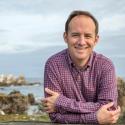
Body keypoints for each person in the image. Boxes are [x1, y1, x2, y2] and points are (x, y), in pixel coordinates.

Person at [42, 10, 121, 124]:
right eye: (75, 35)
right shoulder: (53, 65)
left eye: (88, 36)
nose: (82, 42)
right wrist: (96, 118)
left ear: (96, 40)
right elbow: (55, 116)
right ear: (65, 37)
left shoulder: (106, 66)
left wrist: (61, 102)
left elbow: (109, 110)